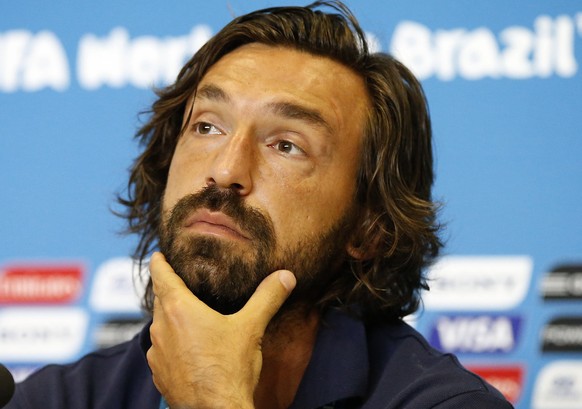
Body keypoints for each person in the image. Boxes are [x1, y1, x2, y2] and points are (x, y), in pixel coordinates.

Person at [7, 1, 514, 408]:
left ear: (370, 228)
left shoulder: (443, 403)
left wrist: (213, 401)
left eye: (286, 145)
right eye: (207, 126)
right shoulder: (62, 398)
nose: (226, 170)